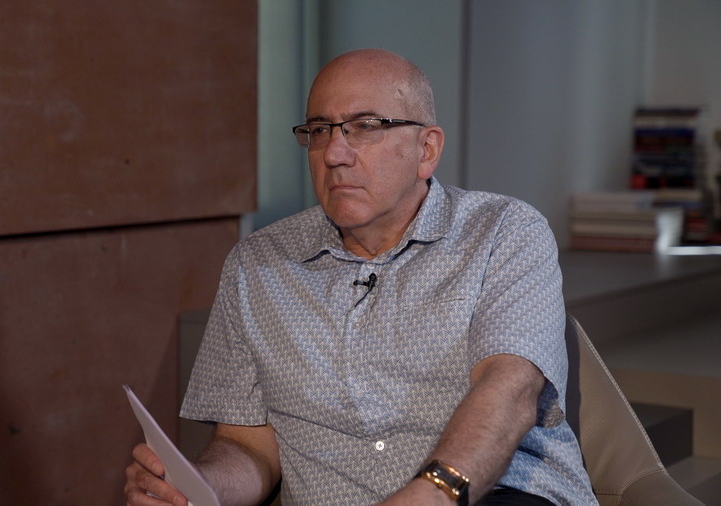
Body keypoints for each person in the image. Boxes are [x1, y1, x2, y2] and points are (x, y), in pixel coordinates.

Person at [125, 48, 597, 505]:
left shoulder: (503, 231)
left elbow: (510, 390)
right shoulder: (256, 264)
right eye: (319, 130)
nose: (334, 154)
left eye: (366, 126)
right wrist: (197, 488)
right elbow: (248, 447)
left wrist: (430, 494)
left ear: (427, 149)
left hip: (495, 495)